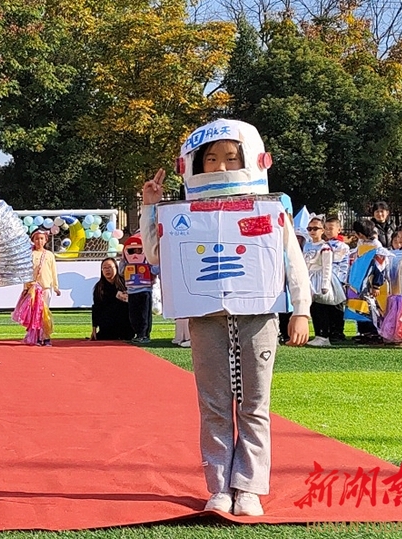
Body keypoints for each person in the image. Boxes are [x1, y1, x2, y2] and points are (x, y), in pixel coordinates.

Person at [140, 119, 310, 517]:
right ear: (194, 165)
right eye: (211, 159)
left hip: (258, 316)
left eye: (231, 158)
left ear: (252, 160)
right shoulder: (182, 214)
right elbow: (154, 254)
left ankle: (249, 486)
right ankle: (218, 486)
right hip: (206, 317)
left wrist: (301, 309)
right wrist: (150, 206)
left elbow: (292, 260)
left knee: (255, 403)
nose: (220, 167)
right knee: (214, 404)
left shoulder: (269, 210)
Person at [349, 219, 386, 344]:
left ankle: (374, 332)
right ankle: (363, 331)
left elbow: (380, 267)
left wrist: (376, 285)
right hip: (359, 280)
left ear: (360, 233)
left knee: (371, 306)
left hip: (369, 281)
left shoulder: (376, 245)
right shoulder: (361, 242)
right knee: (359, 305)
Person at [303, 217, 338, 347]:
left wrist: (325, 284)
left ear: (322, 230)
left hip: (319, 277)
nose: (312, 231)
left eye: (315, 228)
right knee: (313, 309)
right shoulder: (307, 245)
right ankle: (318, 333)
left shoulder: (325, 247)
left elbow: (327, 267)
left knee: (321, 308)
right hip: (309, 277)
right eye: (309, 229)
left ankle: (324, 336)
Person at [119, 235, 158, 344]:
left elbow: (155, 270)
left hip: (145, 291)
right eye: (132, 251)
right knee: (134, 315)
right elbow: (121, 271)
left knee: (144, 315)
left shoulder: (147, 261)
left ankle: (144, 334)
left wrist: (155, 262)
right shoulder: (126, 262)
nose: (135, 254)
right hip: (132, 292)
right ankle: (138, 333)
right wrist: (123, 259)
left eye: (139, 250)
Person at [25, 229, 60, 346]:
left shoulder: (49, 255)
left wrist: (55, 287)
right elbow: (26, 272)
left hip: (45, 288)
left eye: (41, 239)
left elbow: (53, 271)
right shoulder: (30, 254)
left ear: (45, 240)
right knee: (35, 314)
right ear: (33, 240)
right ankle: (37, 337)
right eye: (36, 239)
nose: (39, 241)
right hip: (33, 288)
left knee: (44, 313)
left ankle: (46, 336)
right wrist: (26, 287)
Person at [90, 257, 134, 341]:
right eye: (104, 268)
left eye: (110, 267)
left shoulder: (125, 283)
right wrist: (94, 328)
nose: (107, 270)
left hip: (125, 322)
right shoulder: (99, 287)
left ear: (116, 268)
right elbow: (96, 308)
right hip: (108, 323)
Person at [323, 217, 350, 342]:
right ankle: (327, 330)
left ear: (339, 229)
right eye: (326, 228)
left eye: (331, 228)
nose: (328, 231)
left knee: (337, 307)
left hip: (338, 279)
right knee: (326, 306)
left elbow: (334, 260)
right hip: (326, 279)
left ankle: (338, 331)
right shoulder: (324, 244)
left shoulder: (342, 246)